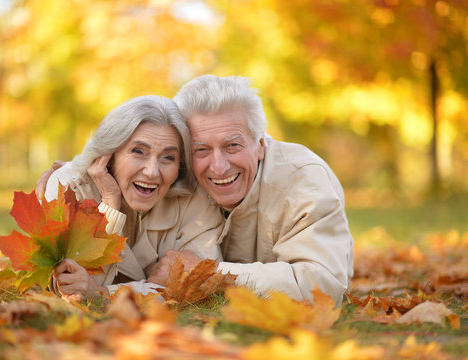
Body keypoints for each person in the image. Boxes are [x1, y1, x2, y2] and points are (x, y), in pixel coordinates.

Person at [148, 75, 354, 306]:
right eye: (202, 149)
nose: (218, 167)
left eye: (233, 145)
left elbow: (322, 286)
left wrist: (208, 274)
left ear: (260, 146)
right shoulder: (171, 177)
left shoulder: (304, 179)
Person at [43, 95, 224, 302]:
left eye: (168, 157)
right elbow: (68, 290)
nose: (152, 172)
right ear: (109, 154)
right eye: (139, 152)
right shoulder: (69, 187)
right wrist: (110, 203)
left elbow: (198, 283)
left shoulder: (194, 199)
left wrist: (103, 295)